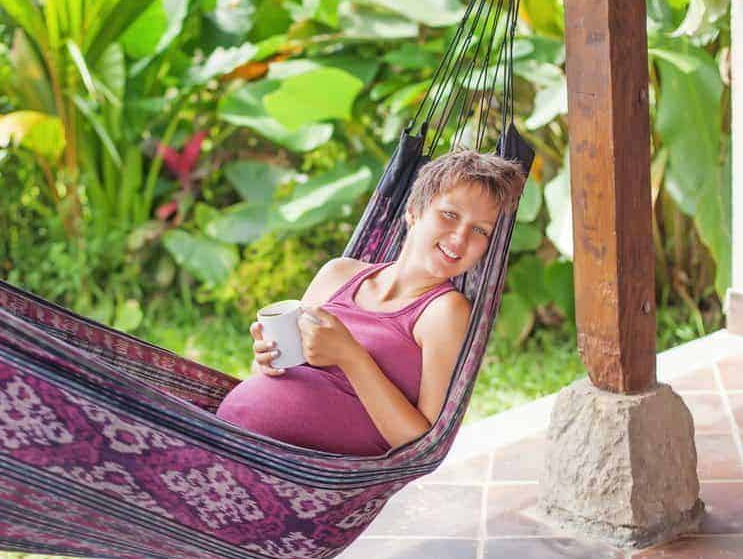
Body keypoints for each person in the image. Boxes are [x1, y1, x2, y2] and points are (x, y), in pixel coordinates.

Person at [215, 149, 526, 456]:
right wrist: (267, 360)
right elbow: (278, 377)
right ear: (413, 212)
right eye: (449, 214)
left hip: (301, 477)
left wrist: (352, 357)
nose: (459, 238)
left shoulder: (444, 312)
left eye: (479, 230)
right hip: (230, 445)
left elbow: (421, 446)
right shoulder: (338, 274)